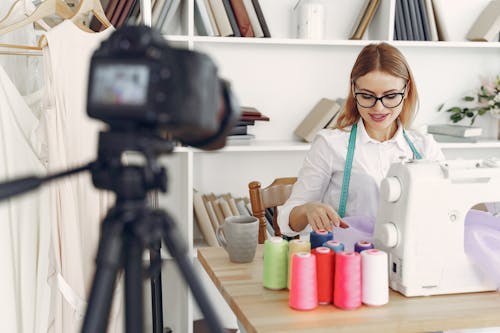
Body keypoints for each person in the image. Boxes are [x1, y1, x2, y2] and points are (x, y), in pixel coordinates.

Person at [277, 42, 445, 239]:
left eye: (390, 96)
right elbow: (287, 222)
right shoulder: (330, 144)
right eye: (367, 96)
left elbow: (445, 210)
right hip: (348, 262)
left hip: (409, 259)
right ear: (353, 90)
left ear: (406, 91)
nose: (379, 108)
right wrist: (307, 209)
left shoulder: (425, 148)